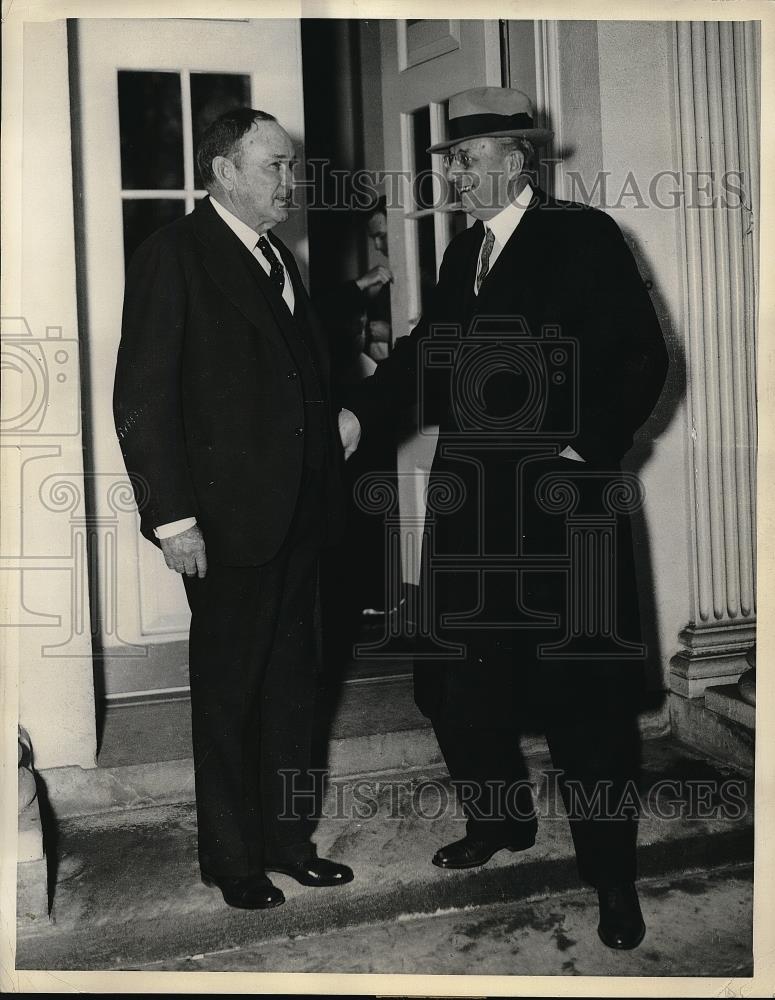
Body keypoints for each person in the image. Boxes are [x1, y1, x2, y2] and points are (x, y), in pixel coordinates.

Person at [338, 87, 669, 950]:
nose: (445, 171)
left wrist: (586, 446)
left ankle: (611, 881)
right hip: (472, 505)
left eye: (461, 158)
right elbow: (425, 359)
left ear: (515, 161)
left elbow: (641, 356)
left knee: (584, 709)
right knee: (454, 679)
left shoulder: (583, 236)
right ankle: (499, 822)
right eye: (446, 157)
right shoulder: (461, 255)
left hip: (561, 511)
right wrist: (359, 416)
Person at [114, 108, 354, 910]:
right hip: (224, 528)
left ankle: (288, 844)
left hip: (297, 519)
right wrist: (172, 520)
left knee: (294, 689)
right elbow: (142, 399)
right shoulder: (173, 255)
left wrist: (337, 424)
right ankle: (232, 859)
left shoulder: (277, 255)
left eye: (290, 166)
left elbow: (292, 381)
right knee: (229, 698)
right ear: (224, 172)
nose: (291, 181)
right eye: (275, 166)